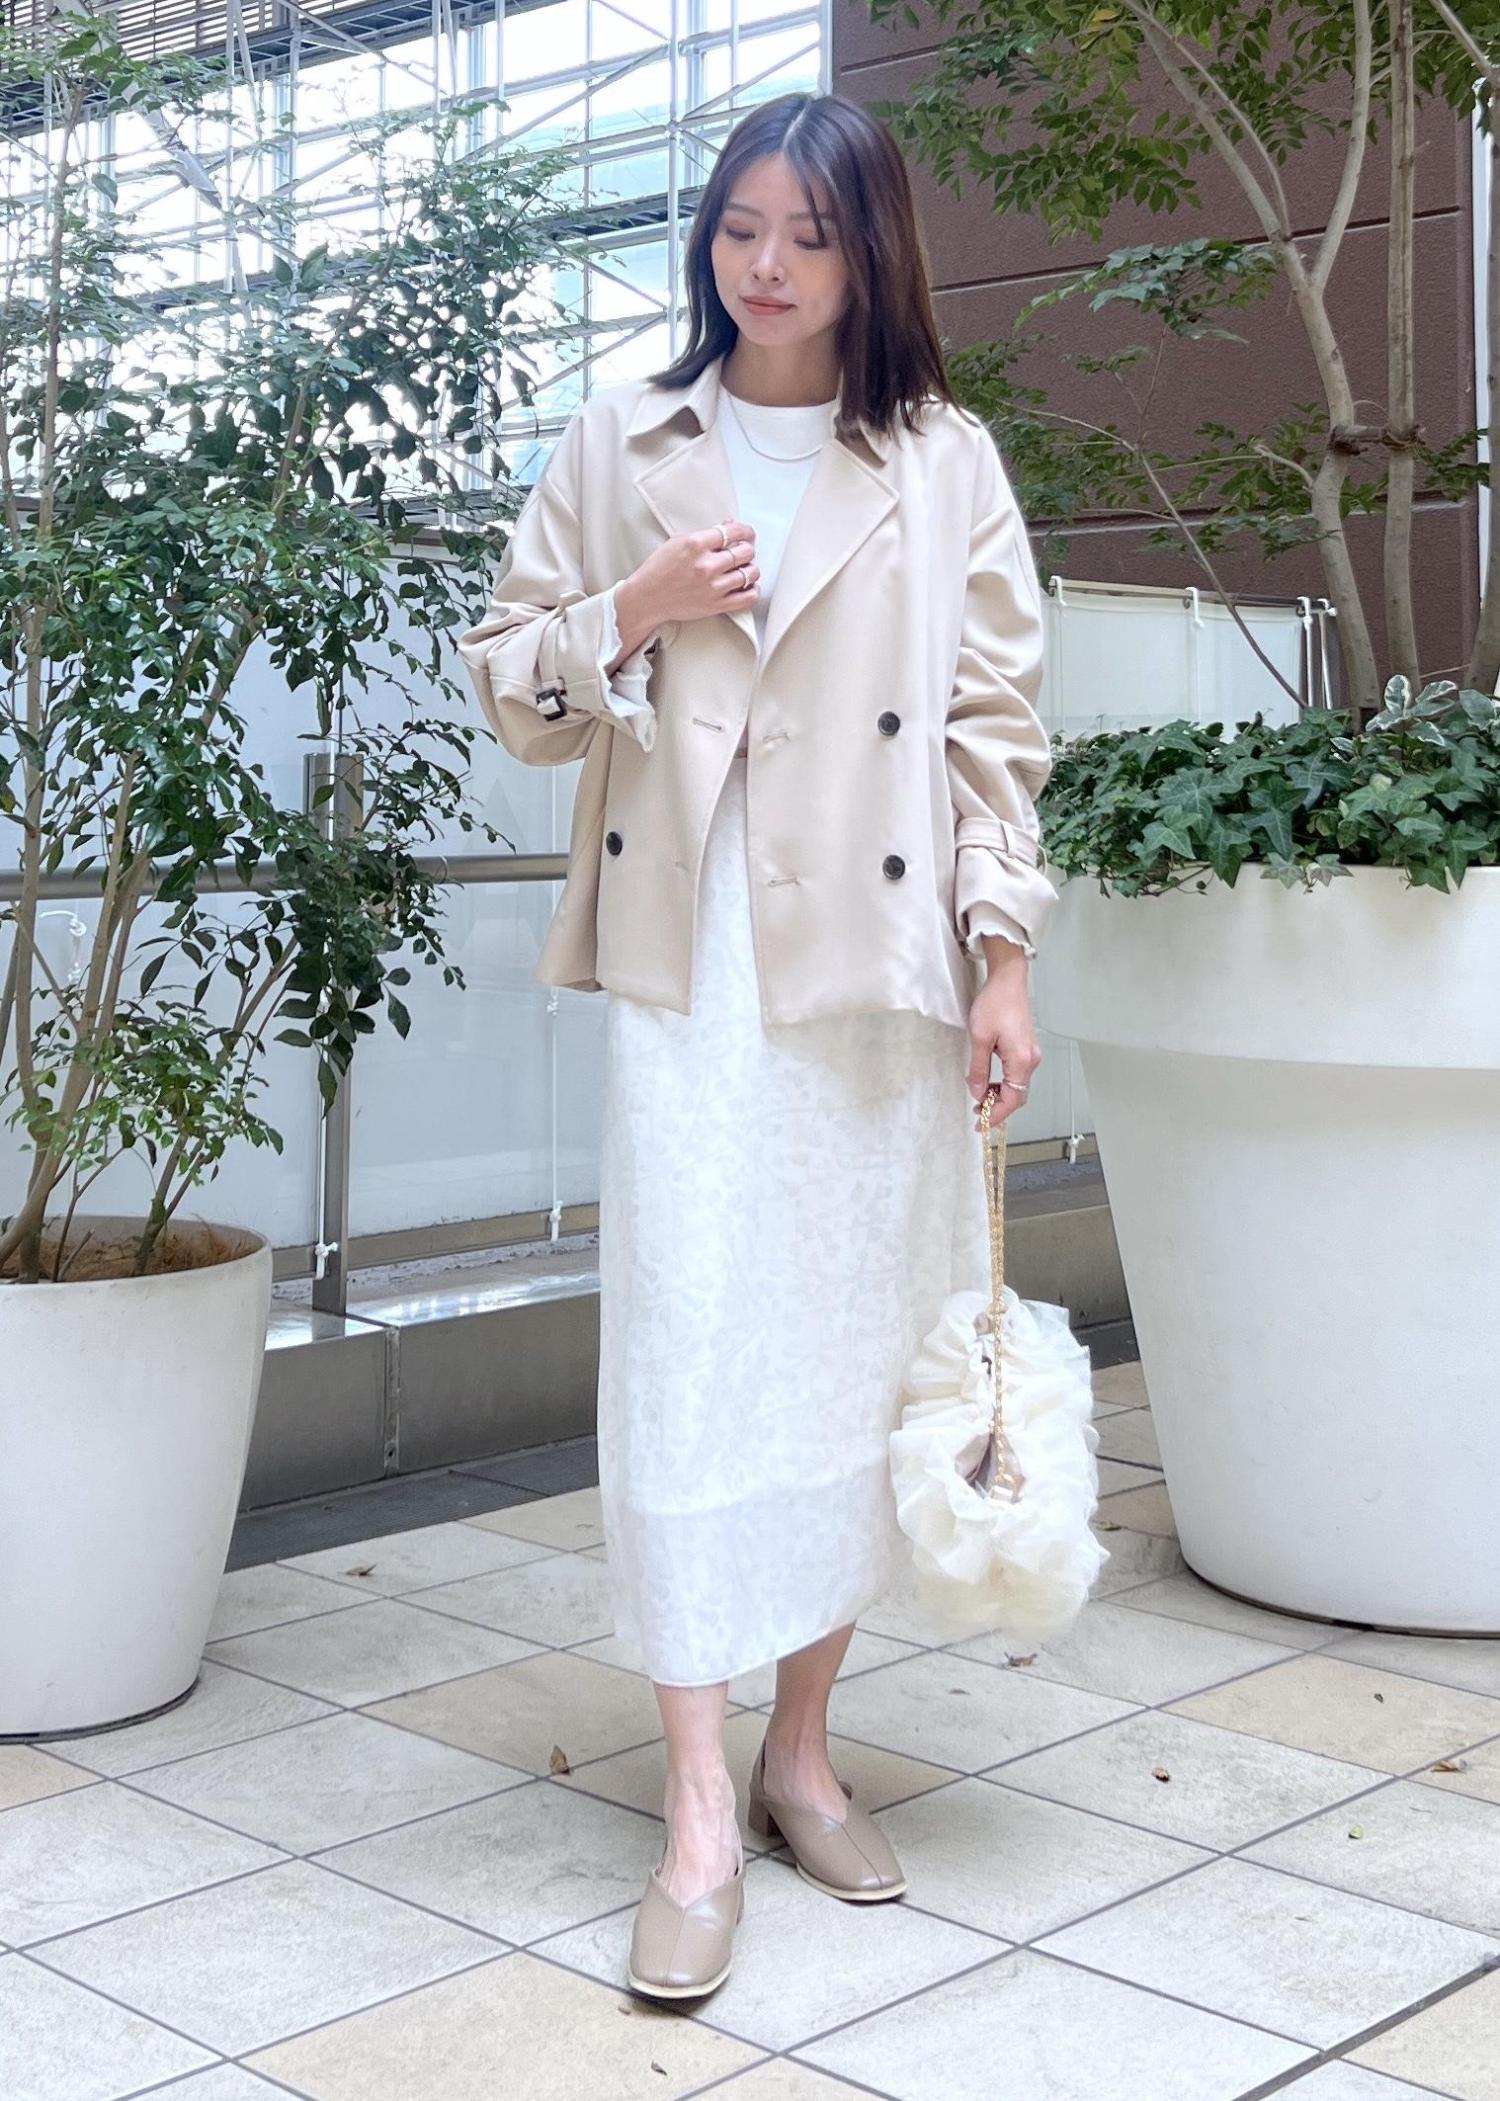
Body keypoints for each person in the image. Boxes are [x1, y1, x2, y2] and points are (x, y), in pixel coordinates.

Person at [458, 89, 1057, 2002]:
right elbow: (511, 685)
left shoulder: (942, 459)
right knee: (691, 1342)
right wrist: (633, 609)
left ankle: (803, 1748)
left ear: (873, 251)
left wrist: (1003, 955)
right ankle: (699, 1800)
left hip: (873, 958)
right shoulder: (624, 439)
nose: (767, 264)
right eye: (738, 227)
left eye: (807, 231)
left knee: (848, 1343)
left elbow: (993, 727)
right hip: (698, 951)